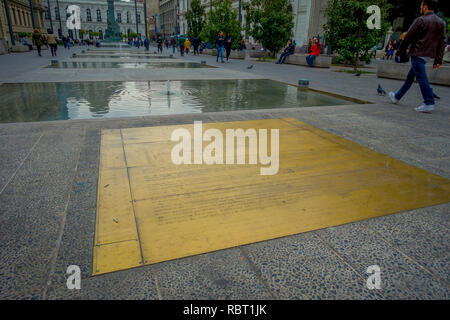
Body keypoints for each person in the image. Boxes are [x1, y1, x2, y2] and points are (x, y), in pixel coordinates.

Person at [389, 0, 447, 113]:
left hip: (417, 53)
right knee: (410, 77)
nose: (420, 8)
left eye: (421, 6)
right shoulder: (441, 22)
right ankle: (396, 97)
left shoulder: (420, 20)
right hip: (427, 55)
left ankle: (429, 102)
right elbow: (442, 42)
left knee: (421, 78)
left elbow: (407, 37)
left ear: (425, 7)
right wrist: (438, 59)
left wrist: (399, 51)